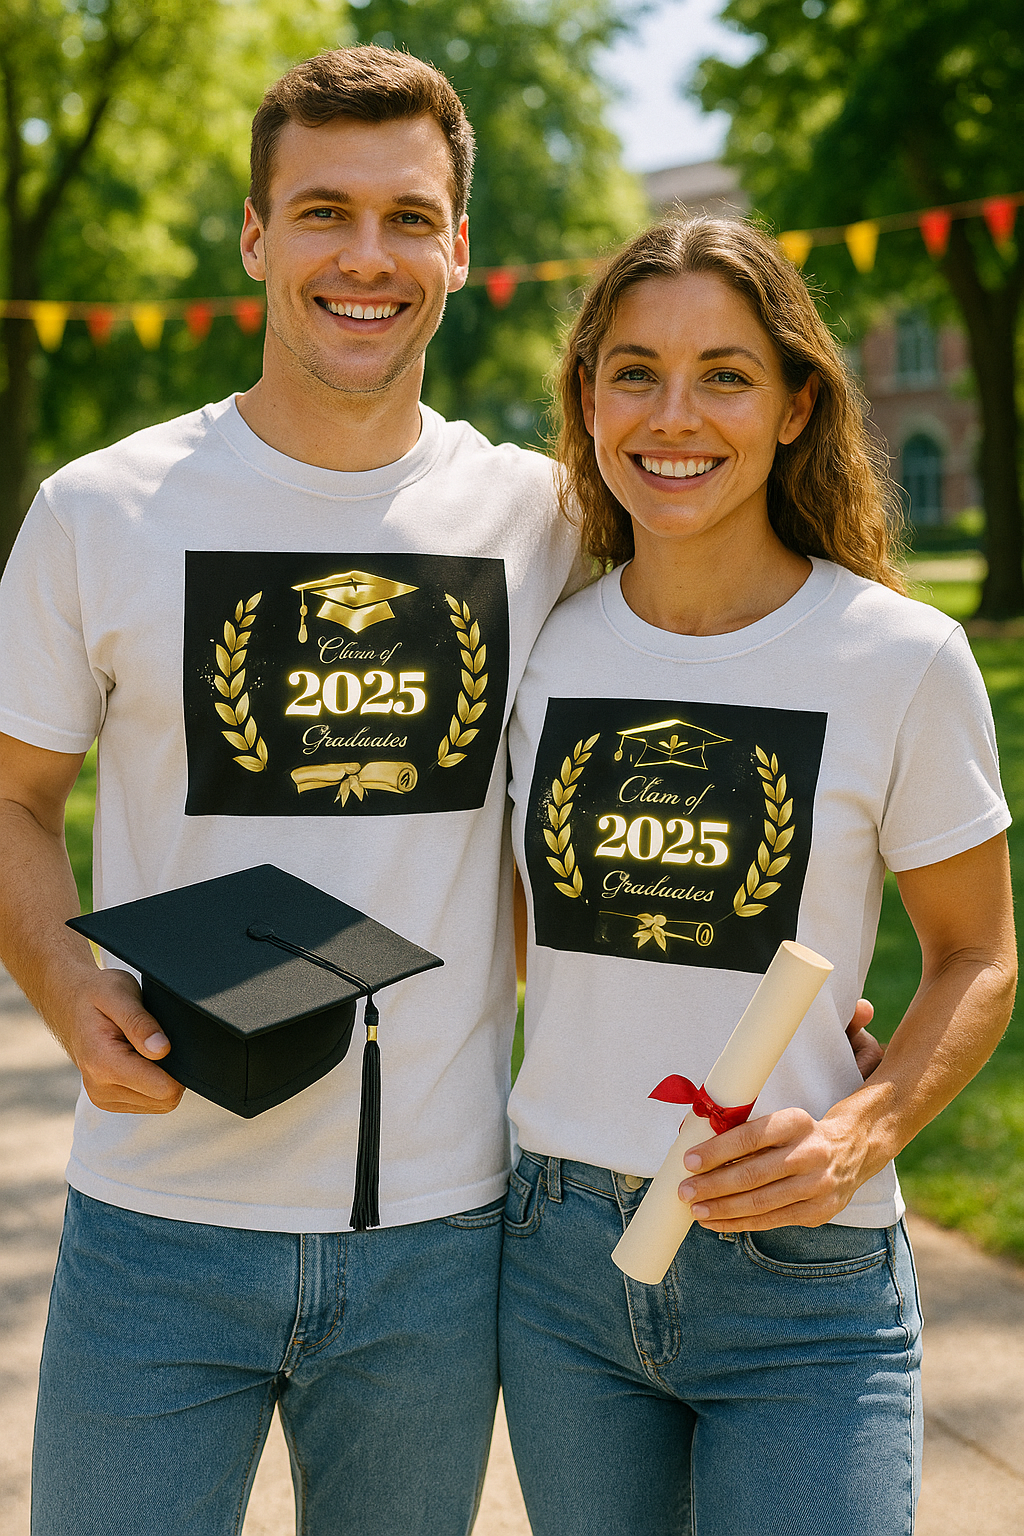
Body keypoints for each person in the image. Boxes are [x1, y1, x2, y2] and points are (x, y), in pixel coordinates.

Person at [0, 47, 581, 1536]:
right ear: (256, 239)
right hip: (157, 1221)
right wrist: (65, 989)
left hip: (439, 1237)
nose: (366, 257)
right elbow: (11, 797)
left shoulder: (546, 517)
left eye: (408, 215)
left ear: (462, 244)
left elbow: (721, 698)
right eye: (323, 211)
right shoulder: (101, 508)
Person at [500, 216, 1016, 1536]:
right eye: (634, 371)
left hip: (802, 1275)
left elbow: (975, 954)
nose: (675, 416)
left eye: (725, 373)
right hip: (556, 1261)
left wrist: (861, 1131)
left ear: (796, 404)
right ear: (588, 398)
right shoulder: (538, 646)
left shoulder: (897, 658)